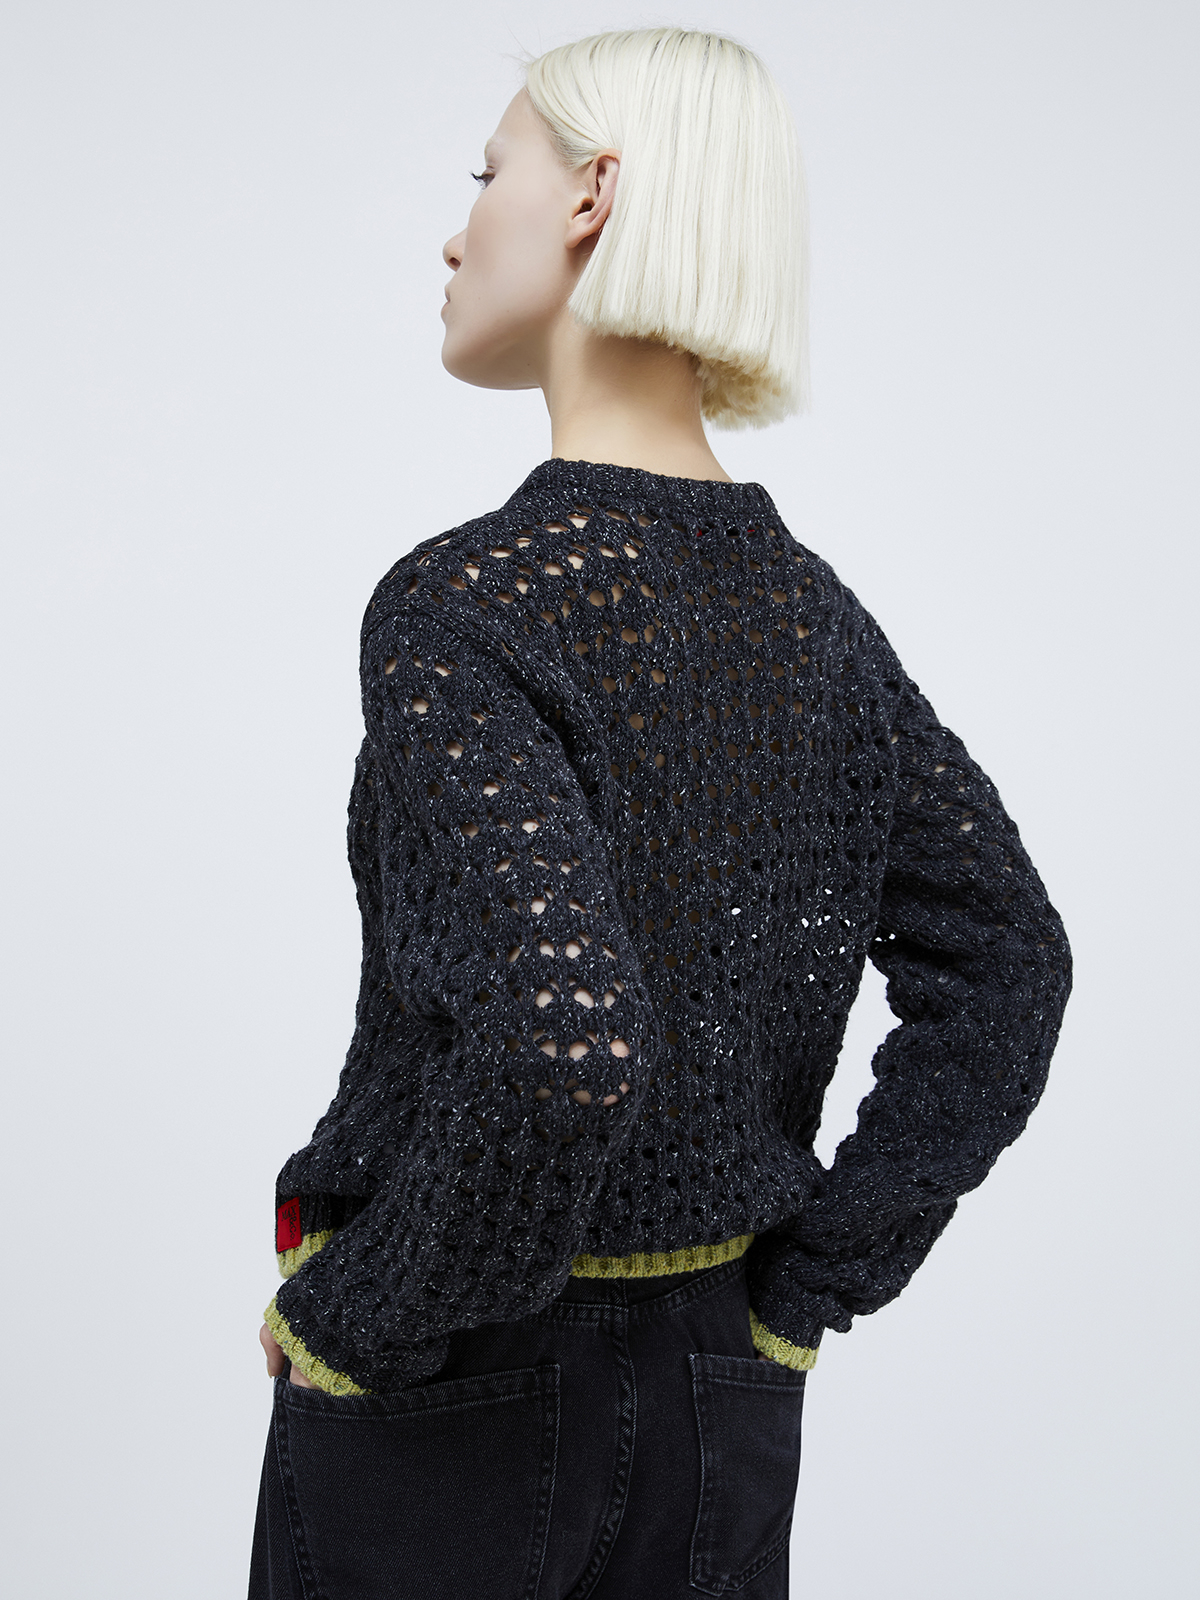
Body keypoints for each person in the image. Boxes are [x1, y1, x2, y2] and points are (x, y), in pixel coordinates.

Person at [248, 26, 1071, 1600]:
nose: (455, 231)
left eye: (488, 172)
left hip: (451, 1392)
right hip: (719, 1390)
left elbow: (567, 1043)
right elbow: (1011, 964)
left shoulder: (464, 603)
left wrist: (356, 1316)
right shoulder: (816, 624)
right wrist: (800, 1292)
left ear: (592, 197)